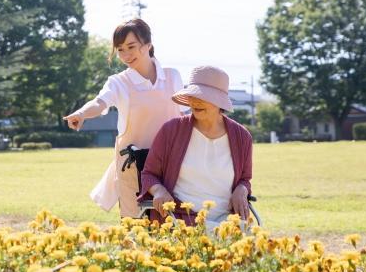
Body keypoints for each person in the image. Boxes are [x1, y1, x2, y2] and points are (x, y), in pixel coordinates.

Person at [63, 19, 185, 218]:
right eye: (120, 49)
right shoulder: (119, 82)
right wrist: (82, 114)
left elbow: (185, 114)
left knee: (177, 222)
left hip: (172, 162)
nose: (126, 55)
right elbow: (100, 102)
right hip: (134, 164)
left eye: (131, 47)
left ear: (148, 45)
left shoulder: (172, 76)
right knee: (136, 225)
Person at [138, 65, 253, 231]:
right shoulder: (171, 130)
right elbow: (149, 174)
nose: (195, 101)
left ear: (219, 101)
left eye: (203, 96)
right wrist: (159, 191)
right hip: (182, 220)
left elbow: (245, 178)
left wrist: (242, 189)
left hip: (229, 221)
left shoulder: (242, 137)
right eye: (193, 95)